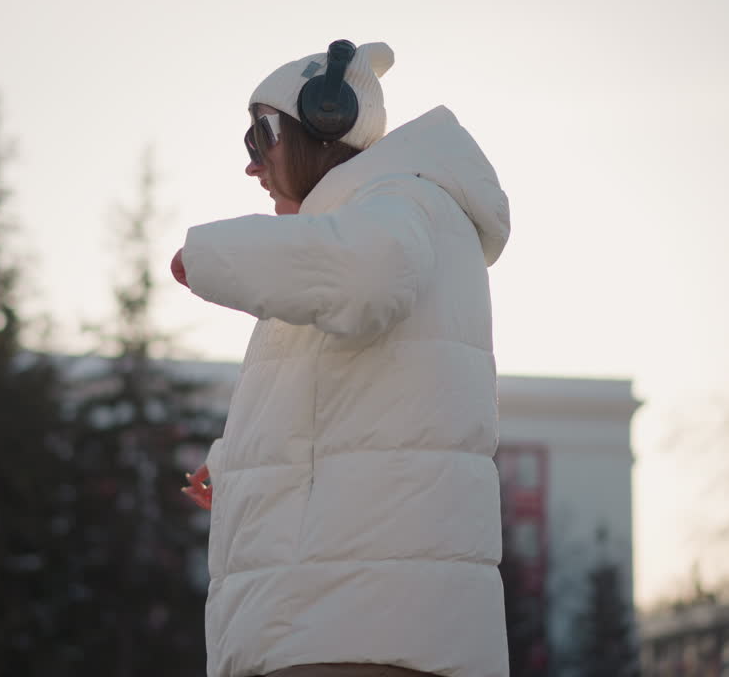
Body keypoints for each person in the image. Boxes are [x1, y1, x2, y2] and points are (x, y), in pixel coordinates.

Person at [173, 39, 511, 677]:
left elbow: (370, 279)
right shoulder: (371, 218)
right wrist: (242, 470)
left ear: (326, 120)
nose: (252, 165)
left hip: (357, 629)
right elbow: (344, 402)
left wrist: (215, 256)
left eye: (261, 138)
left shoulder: (398, 201)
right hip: (343, 617)